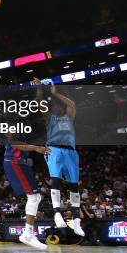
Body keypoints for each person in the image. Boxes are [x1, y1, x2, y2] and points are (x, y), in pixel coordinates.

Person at [37, 80, 85, 237]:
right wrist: (40, 88)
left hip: (71, 152)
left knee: (74, 186)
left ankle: (76, 219)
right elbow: (39, 103)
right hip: (54, 150)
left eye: (59, 105)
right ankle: (57, 213)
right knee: (56, 180)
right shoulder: (49, 118)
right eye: (55, 105)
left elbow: (72, 106)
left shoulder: (69, 116)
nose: (57, 107)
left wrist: (55, 93)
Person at [3, 128, 51, 250]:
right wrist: (35, 148)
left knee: (36, 197)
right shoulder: (14, 120)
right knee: (34, 197)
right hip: (14, 162)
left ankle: (28, 233)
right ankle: (28, 234)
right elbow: (13, 142)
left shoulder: (27, 122)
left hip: (20, 163)